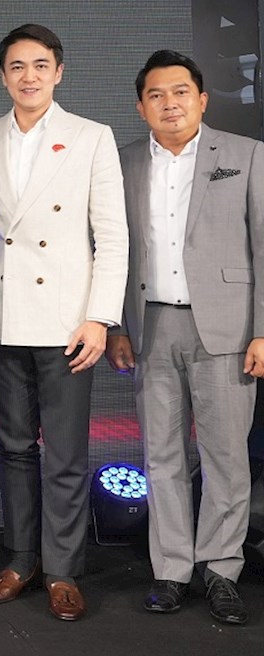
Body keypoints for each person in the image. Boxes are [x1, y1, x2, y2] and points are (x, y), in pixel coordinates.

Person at [0, 24, 127, 621]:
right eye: (16, 66)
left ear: (59, 72)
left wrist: (100, 317)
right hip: (2, 317)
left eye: (39, 65)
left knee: (65, 452)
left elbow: (112, 236)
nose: (28, 76)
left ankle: (62, 570)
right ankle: (19, 559)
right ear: (2, 76)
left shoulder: (91, 136)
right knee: (12, 448)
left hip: (66, 323)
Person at [104, 50, 262, 626]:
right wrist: (117, 324)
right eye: (156, 95)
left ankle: (221, 569)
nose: (169, 103)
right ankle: (170, 569)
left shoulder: (246, 155)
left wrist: (263, 330)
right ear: (140, 106)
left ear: (202, 99)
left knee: (226, 457)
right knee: (161, 455)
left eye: (179, 93)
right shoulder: (122, 162)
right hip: (150, 324)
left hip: (227, 325)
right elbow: (110, 249)